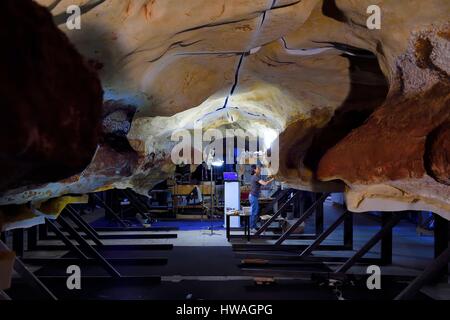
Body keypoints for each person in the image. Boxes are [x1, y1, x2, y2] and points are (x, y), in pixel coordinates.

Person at [249, 164, 274, 230]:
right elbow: (264, 184)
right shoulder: (255, 177)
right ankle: (252, 227)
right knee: (254, 212)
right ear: (255, 170)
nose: (260, 169)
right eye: (258, 169)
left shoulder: (256, 177)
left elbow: (262, 182)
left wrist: (268, 179)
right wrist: (273, 179)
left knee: (255, 211)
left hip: (254, 196)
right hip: (253, 196)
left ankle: (253, 226)